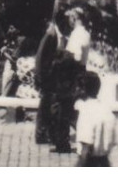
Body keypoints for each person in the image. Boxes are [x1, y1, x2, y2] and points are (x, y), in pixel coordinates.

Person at [33, 10, 69, 146]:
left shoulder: (59, 35)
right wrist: (39, 79)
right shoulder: (51, 35)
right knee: (44, 107)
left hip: (52, 78)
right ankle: (40, 135)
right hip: (46, 78)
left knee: (47, 107)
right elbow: (40, 57)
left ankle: (45, 134)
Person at [73, 71, 116, 167]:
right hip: (104, 161)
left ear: (82, 90)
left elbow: (86, 148)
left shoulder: (86, 112)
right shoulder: (106, 110)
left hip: (90, 162)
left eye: (76, 87)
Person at [0, 28, 25, 98]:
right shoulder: (15, 40)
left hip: (12, 69)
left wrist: (4, 53)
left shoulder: (20, 40)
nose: (10, 30)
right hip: (16, 69)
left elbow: (13, 60)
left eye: (12, 28)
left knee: (5, 92)